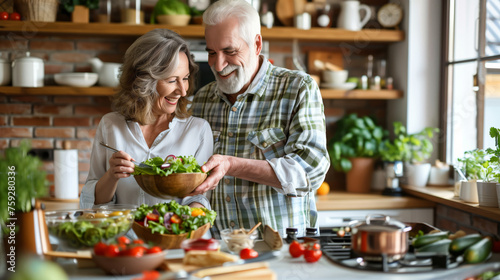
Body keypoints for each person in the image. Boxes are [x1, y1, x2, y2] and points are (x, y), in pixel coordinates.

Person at [190, 0, 330, 238]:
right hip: (218, 248)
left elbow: (311, 170)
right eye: (211, 52)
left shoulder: (297, 88)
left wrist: (232, 165)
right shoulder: (202, 99)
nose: (218, 64)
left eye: (230, 51)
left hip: (282, 248)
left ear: (256, 44)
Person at [80, 29, 213, 210]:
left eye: (186, 78)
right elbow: (92, 202)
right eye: (172, 80)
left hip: (174, 236)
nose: (182, 91)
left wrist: (189, 216)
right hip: (124, 238)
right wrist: (112, 175)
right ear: (144, 80)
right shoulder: (110, 125)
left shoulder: (197, 130)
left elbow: (199, 197)